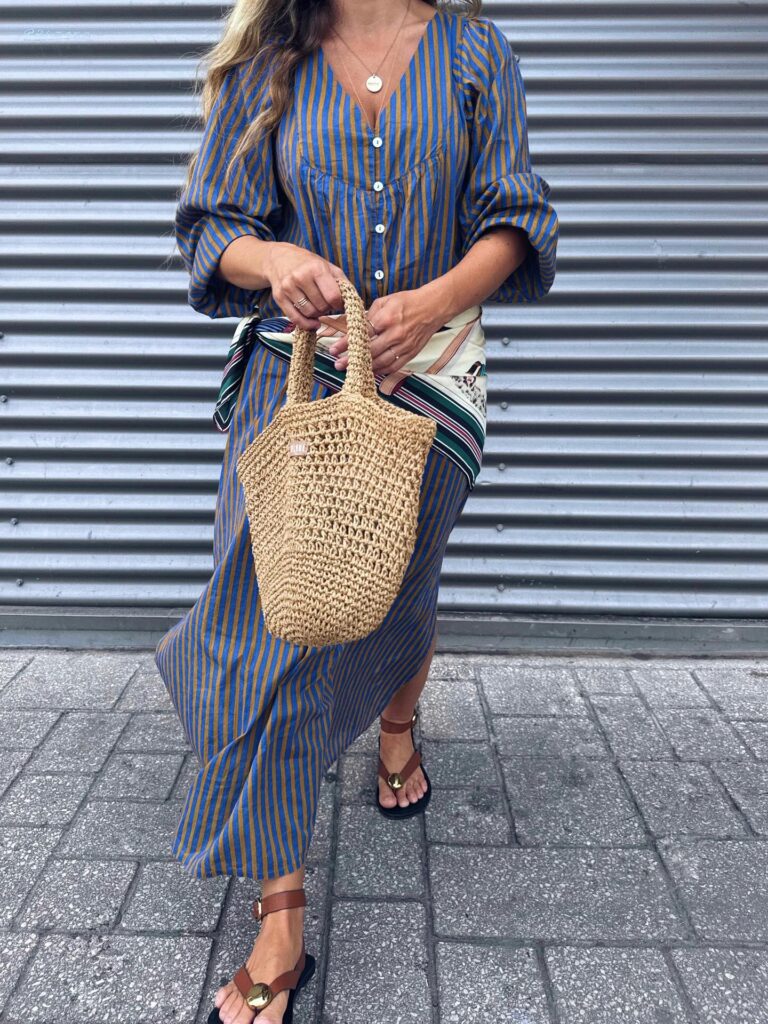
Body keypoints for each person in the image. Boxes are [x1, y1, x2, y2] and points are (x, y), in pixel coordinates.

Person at [154, 0, 559, 1020]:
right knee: (276, 627)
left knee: (395, 597)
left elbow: (517, 217)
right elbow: (213, 226)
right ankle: (281, 907)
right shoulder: (273, 57)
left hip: (430, 381)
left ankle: (397, 725)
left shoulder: (474, 53)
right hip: (293, 387)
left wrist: (430, 304)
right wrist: (276, 262)